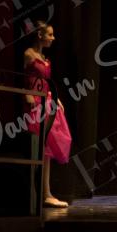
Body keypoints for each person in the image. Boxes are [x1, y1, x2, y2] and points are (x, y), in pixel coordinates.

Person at [24, 21, 71, 207]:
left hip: (47, 101)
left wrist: (56, 99)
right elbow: (23, 78)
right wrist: (28, 95)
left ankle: (46, 193)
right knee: (37, 148)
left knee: (48, 149)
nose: (53, 38)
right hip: (35, 102)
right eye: (50, 34)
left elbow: (46, 81)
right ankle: (33, 194)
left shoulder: (44, 57)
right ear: (40, 35)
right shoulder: (29, 54)